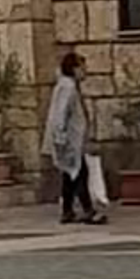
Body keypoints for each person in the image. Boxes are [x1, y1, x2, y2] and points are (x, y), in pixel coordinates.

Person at [40, 47, 102, 222]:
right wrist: (61, 139)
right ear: (74, 68)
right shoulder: (67, 88)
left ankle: (67, 211)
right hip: (68, 141)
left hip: (71, 141)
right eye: (83, 67)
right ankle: (88, 210)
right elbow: (60, 114)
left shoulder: (69, 86)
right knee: (80, 174)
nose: (85, 72)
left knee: (70, 175)